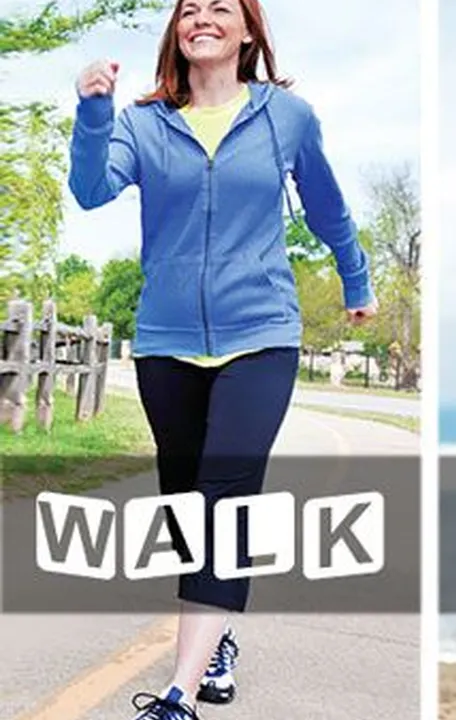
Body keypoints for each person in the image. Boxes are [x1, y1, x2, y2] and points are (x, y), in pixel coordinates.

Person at [68, 0, 376, 717]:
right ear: (178, 32)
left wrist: (356, 277)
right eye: (189, 9)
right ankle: (220, 637)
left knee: (225, 498)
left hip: (260, 333)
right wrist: (92, 114)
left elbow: (326, 205)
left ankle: (177, 696)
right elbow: (90, 192)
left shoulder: (285, 117)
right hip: (167, 339)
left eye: (220, 7)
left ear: (247, 32)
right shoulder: (143, 123)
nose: (202, 16)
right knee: (184, 508)